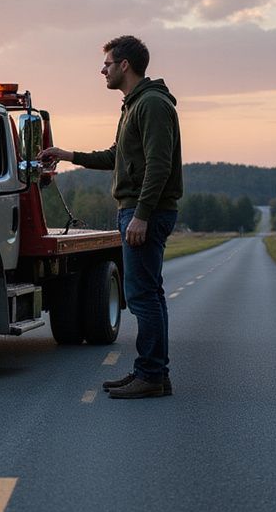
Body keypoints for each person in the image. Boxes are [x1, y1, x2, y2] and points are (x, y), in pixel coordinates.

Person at [38, 35, 182, 399]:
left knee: (143, 297)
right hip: (136, 209)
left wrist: (142, 216)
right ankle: (153, 373)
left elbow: (159, 167)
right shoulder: (134, 105)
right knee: (150, 294)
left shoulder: (150, 104)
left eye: (107, 63)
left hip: (143, 211)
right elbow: (115, 157)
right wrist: (66, 153)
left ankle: (150, 375)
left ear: (124, 66)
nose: (101, 69)